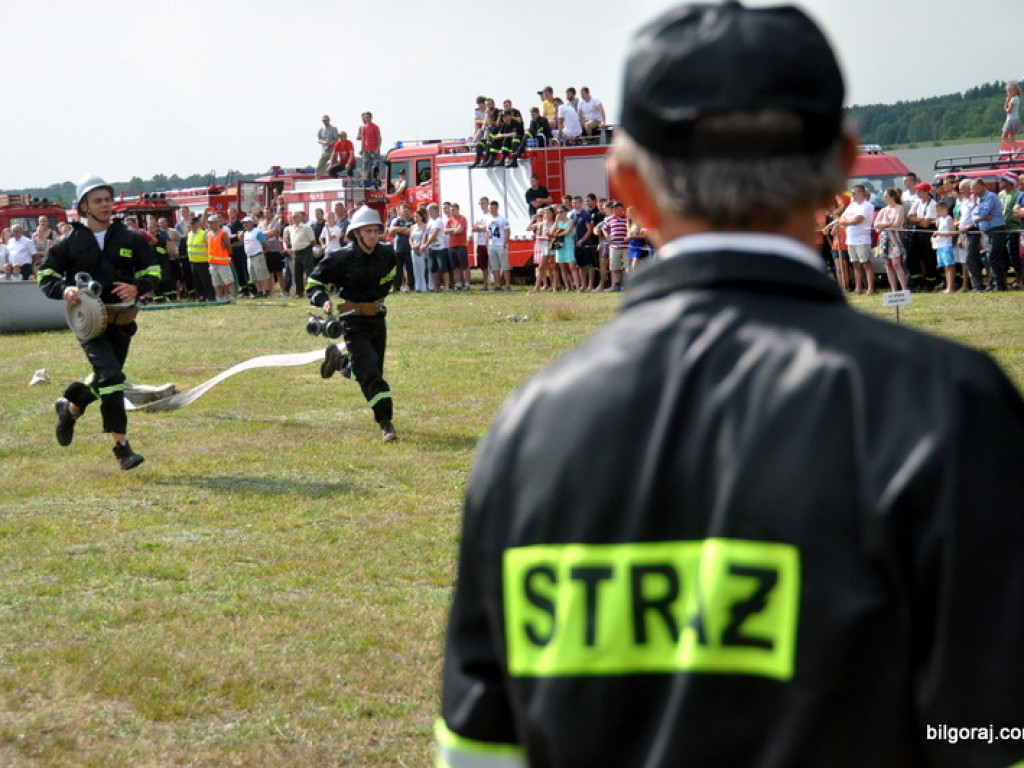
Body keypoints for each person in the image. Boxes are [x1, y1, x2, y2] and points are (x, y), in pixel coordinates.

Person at [437, 4, 1024, 767]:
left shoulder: (528, 429)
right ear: (841, 167)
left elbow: (479, 749)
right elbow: (992, 733)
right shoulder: (948, 407)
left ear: (626, 185)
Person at [38, 174, 161, 470]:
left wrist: (138, 286)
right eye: (98, 201)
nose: (105, 205)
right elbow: (46, 276)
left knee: (106, 378)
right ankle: (122, 448)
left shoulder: (131, 237)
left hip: (123, 322)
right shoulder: (68, 242)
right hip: (90, 325)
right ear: (84, 206)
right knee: (112, 378)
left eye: (107, 199)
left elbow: (155, 270)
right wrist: (65, 289)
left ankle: (69, 408)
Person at [307, 206, 398, 443]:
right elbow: (314, 283)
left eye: (376, 231)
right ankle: (386, 423)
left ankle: (339, 361)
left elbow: (389, 280)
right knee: (370, 373)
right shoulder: (341, 258)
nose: (373, 236)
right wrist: (324, 300)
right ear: (356, 233)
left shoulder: (388, 255)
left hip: (377, 321)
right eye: (368, 231)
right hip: (352, 322)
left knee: (369, 370)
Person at [837, 184, 876, 295]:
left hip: (862, 238)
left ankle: (870, 288)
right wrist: (850, 220)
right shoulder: (851, 206)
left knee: (865, 263)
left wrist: (848, 221)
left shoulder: (867, 205)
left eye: (854, 193)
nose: (852, 195)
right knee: (855, 264)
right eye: (852, 193)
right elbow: (841, 219)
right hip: (851, 238)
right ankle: (858, 288)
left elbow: (858, 219)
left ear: (862, 193)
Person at [873, 187, 909, 291]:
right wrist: (888, 224)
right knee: (888, 264)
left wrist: (883, 226)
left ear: (892, 197)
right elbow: (876, 225)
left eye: (886, 196)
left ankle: (904, 288)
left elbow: (896, 224)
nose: (884, 199)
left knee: (896, 263)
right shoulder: (883, 210)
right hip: (884, 239)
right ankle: (893, 289)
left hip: (895, 238)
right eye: (884, 197)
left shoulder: (899, 208)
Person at [285, 210, 316, 300]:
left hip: (306, 251)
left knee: (309, 272)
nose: (293, 219)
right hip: (296, 252)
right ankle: (299, 292)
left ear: (300, 218)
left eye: (295, 217)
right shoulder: (291, 228)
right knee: (297, 273)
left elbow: (313, 241)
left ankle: (311, 291)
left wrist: (306, 248)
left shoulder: (306, 228)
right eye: (292, 217)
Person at [205, 213, 235, 301]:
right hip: (212, 262)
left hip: (223, 262)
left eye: (212, 223)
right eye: (209, 223)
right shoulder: (208, 234)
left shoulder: (222, 233)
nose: (210, 225)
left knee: (228, 281)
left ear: (217, 223)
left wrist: (229, 256)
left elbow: (228, 246)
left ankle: (232, 297)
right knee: (216, 282)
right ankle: (219, 297)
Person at [241, 216, 272, 297]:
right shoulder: (245, 233)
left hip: (258, 255)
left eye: (247, 223)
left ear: (251, 223)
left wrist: (263, 250)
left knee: (262, 275)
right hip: (249, 257)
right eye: (244, 223)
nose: (245, 225)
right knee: (254, 276)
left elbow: (265, 243)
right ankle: (259, 291)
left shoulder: (257, 232)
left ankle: (264, 292)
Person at [387, 203, 415, 291]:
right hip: (398, 248)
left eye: (406, 211)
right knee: (397, 269)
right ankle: (396, 286)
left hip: (409, 248)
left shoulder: (413, 221)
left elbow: (413, 231)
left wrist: (399, 230)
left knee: (410, 268)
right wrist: (405, 229)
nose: (405, 212)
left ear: (410, 211)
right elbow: (391, 231)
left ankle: (411, 285)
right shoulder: (396, 220)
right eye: (403, 211)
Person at [932, 201, 957, 293]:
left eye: (939, 211)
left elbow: (953, 233)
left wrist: (940, 233)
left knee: (949, 266)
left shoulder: (949, 219)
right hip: (940, 245)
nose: (938, 213)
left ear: (944, 209)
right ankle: (948, 286)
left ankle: (951, 287)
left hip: (947, 245)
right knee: (944, 267)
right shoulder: (940, 220)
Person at [486, 200, 512, 291]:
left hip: (500, 244)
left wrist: (505, 242)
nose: (491, 210)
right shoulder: (489, 220)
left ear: (497, 208)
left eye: (493, 208)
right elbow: (488, 232)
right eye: (490, 208)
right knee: (495, 267)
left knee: (505, 266)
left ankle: (508, 285)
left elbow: (508, 231)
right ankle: (497, 285)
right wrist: (487, 244)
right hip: (492, 244)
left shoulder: (503, 219)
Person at [472, 196, 492, 290]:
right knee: (483, 265)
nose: (482, 205)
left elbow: (488, 227)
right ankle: (485, 285)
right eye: (480, 203)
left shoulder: (490, 215)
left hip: (489, 242)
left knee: (493, 264)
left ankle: (497, 284)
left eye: (483, 203)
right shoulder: (478, 215)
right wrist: (481, 227)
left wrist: (481, 227)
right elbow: (474, 227)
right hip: (480, 243)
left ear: (488, 203)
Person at [357, 112, 382, 185]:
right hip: (366, 150)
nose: (367, 119)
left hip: (374, 149)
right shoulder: (364, 127)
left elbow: (379, 138)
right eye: (365, 117)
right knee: (365, 166)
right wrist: (362, 149)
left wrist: (378, 148)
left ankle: (378, 180)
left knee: (376, 165)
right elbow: (363, 139)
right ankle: (365, 181)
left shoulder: (375, 127)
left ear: (371, 117)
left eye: (368, 117)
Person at [409, 209, 429, 292]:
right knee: (415, 268)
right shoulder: (412, 227)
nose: (415, 218)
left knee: (422, 267)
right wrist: (412, 246)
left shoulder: (425, 226)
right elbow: (410, 238)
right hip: (413, 249)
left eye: (417, 216)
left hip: (421, 249)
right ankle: (417, 286)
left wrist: (419, 245)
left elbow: (425, 237)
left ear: (421, 217)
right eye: (414, 216)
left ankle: (423, 286)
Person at [316, 115, 339, 179]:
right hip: (324, 152)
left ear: (329, 120)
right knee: (319, 167)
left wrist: (329, 144)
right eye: (323, 121)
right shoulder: (321, 130)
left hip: (333, 152)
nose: (324, 122)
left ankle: (335, 179)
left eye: (326, 120)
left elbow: (336, 140)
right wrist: (324, 143)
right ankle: (317, 179)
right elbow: (319, 140)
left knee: (333, 167)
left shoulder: (334, 128)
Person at [1002, 82, 1021, 152]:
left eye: (1010, 91)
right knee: (1011, 138)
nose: (1008, 93)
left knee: (1004, 137)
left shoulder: (1013, 99)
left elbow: (1008, 111)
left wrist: (1006, 102)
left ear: (1014, 91)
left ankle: (1017, 147)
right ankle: (1015, 154)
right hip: (1015, 119)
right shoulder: (1017, 98)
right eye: (1008, 91)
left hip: (1011, 120)